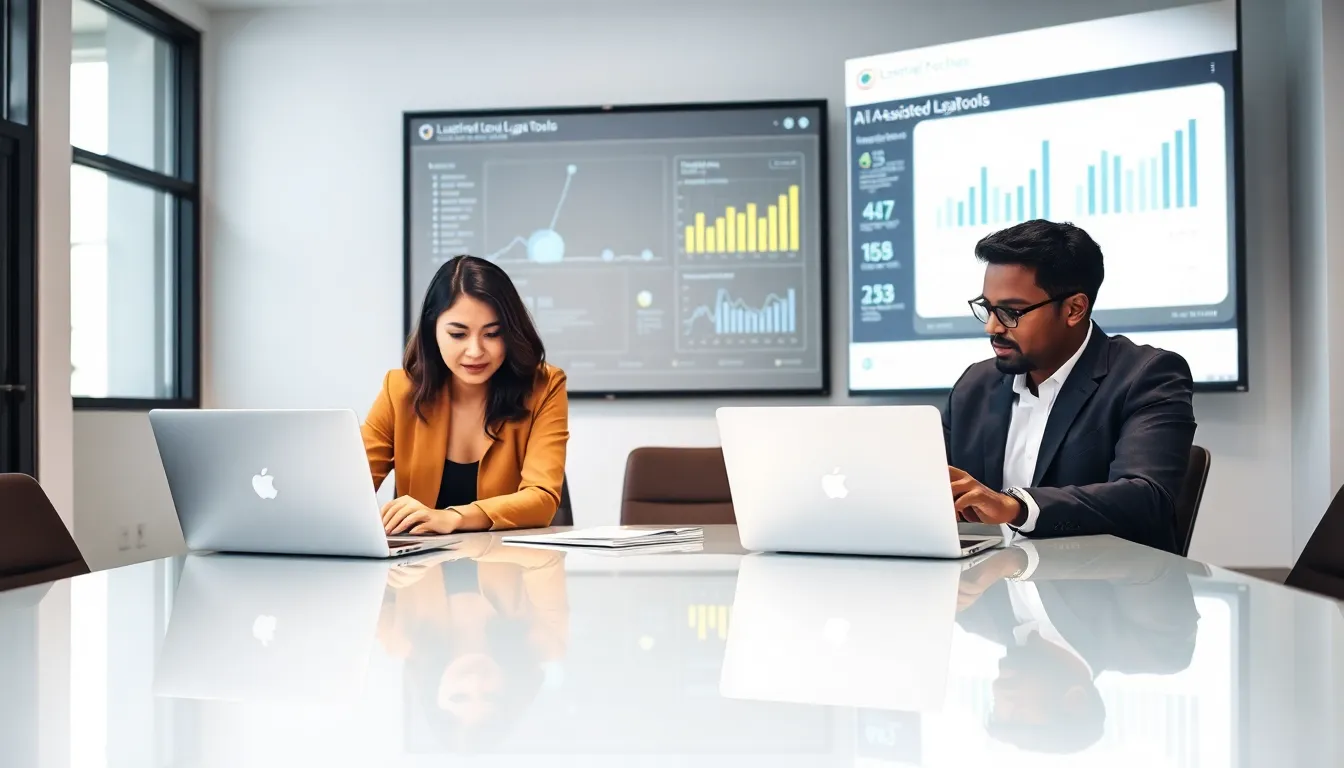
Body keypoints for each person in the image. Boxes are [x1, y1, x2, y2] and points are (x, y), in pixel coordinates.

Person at [942, 219, 1196, 553]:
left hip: (1104, 595)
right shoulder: (974, 385)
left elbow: (1146, 497)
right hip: (991, 591)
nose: (992, 327)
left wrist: (1017, 507)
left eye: (1010, 312)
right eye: (988, 308)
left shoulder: (1147, 376)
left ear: (1074, 309)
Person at [362, 254, 569, 535]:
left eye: (492, 334)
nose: (475, 351)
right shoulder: (399, 389)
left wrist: (453, 518)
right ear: (432, 330)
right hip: (418, 570)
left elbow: (543, 499)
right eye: (458, 335)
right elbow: (350, 490)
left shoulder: (544, 386)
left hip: (509, 567)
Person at [955, 537, 1198, 754]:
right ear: (1075, 700)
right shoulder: (1156, 649)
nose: (1000, 691)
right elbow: (1146, 560)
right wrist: (1018, 562)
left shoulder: (975, 618)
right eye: (1017, 709)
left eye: (998, 705)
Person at [377, 538, 569, 751]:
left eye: (459, 696)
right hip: (510, 510)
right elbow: (546, 558)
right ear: (509, 691)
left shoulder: (399, 640)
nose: (474, 680)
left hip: (418, 514)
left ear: (433, 696)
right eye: (490, 695)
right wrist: (468, 541)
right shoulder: (544, 641)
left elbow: (368, 570)